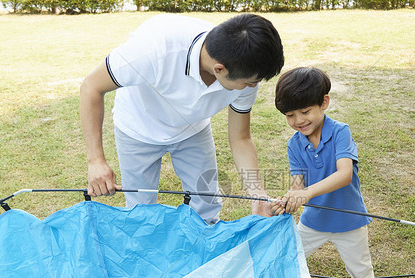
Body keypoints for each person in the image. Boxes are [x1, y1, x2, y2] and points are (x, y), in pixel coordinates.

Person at [80, 14, 284, 224]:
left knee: (206, 202)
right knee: (141, 210)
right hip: (138, 127)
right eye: (249, 83)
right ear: (219, 69)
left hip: (192, 129)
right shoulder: (152, 49)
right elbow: (91, 87)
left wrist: (257, 192)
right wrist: (96, 161)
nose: (253, 87)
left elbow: (241, 138)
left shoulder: (245, 68)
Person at [271, 67, 391, 278]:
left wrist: (307, 193)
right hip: (313, 220)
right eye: (290, 115)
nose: (298, 121)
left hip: (350, 222)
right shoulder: (294, 144)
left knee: (360, 270)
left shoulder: (340, 132)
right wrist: (289, 199)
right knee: (288, 258)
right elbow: (298, 183)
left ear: (324, 102)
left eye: (305, 111)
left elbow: (344, 174)